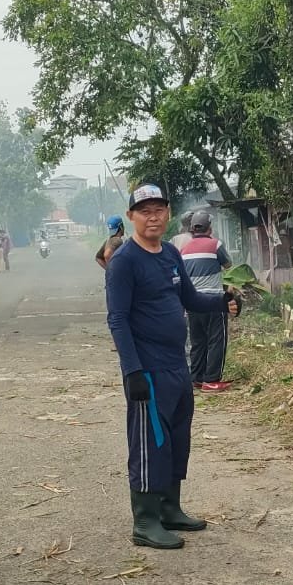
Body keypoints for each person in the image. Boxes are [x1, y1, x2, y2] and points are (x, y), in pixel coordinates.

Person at [105, 184, 240, 549]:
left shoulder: (169, 253)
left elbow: (190, 298)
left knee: (177, 439)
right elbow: (117, 319)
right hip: (146, 370)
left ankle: (170, 507)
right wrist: (131, 370)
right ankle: (145, 521)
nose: (153, 216)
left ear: (167, 213)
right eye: (144, 210)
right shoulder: (124, 261)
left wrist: (221, 302)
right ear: (132, 216)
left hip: (177, 366)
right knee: (151, 442)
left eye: (158, 209)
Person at [176, 210, 235, 391]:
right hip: (214, 301)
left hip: (193, 301)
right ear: (209, 228)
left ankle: (197, 378)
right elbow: (228, 264)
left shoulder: (183, 250)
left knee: (198, 340)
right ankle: (212, 380)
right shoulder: (215, 244)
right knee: (217, 339)